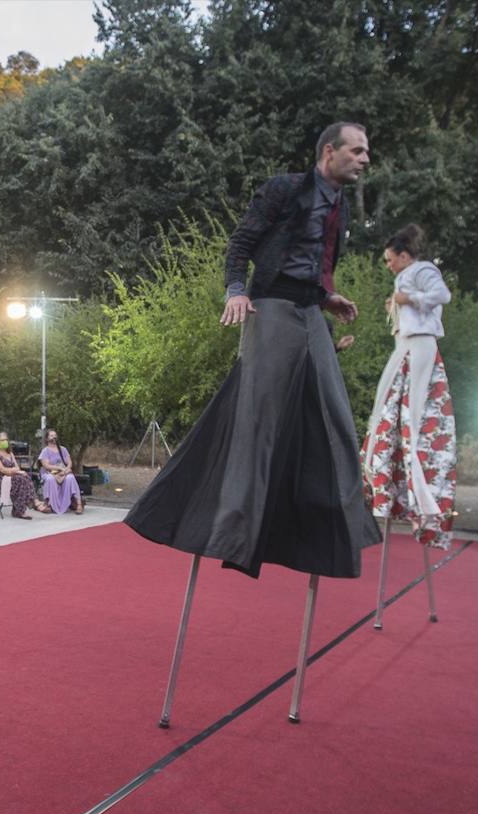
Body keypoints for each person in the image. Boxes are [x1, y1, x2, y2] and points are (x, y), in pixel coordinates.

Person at [125, 121, 380, 579]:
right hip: (271, 308)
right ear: (329, 152)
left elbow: (313, 264)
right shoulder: (284, 190)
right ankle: (233, 534)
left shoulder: (340, 206)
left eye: (366, 152)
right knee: (257, 422)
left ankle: (329, 531)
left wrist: (327, 296)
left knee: (337, 420)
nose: (365, 159)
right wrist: (235, 291)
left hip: (309, 312)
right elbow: (242, 243)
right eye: (357, 151)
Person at [362, 223, 456, 547]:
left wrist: (408, 298)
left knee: (413, 418)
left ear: (404, 255)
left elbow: (442, 295)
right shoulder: (405, 275)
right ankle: (380, 471)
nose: (388, 265)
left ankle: (421, 486)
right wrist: (396, 307)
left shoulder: (423, 270)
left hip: (419, 346)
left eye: (390, 259)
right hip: (405, 346)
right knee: (384, 405)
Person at [0, 432, 47, 518]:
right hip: (0, 479)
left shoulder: (10, 454)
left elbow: (17, 468)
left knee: (24, 476)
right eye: (2, 440)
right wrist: (14, 471)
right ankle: (31, 503)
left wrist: (15, 471)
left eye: (6, 440)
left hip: (12, 476)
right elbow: (2, 470)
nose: (4, 441)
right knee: (21, 479)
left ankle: (23, 507)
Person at [38, 430, 84, 515]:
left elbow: (69, 463)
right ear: (47, 438)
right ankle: (48, 503)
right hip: (50, 473)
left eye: (55, 435)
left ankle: (79, 504)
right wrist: (59, 468)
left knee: (70, 478)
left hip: (63, 472)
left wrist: (66, 470)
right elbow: (46, 465)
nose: (54, 437)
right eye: (51, 436)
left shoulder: (63, 449)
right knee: (50, 479)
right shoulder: (45, 451)